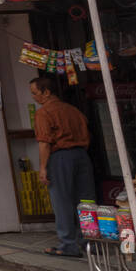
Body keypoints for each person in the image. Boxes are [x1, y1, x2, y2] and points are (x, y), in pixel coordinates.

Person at [30, 76, 93, 257]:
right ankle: (89, 240)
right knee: (86, 201)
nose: (33, 97)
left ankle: (68, 244)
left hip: (60, 157)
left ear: (46, 92)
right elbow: (87, 132)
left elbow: (44, 143)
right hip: (81, 154)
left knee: (61, 201)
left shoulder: (44, 113)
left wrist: (43, 167)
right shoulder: (73, 110)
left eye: (35, 93)